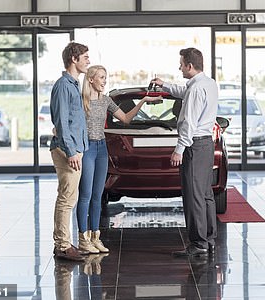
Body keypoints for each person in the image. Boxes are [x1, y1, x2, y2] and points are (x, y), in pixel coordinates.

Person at [77, 65, 162, 254]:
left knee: (98, 195)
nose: (104, 81)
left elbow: (125, 118)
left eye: (105, 77)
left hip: (101, 148)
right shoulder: (80, 101)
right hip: (86, 149)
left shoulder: (106, 100)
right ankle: (83, 239)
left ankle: (95, 238)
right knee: (85, 195)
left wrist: (143, 101)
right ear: (90, 79)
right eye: (101, 77)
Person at [150, 48, 218, 257]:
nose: (179, 67)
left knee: (193, 196)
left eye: (181, 64)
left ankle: (198, 244)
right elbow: (183, 91)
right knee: (205, 194)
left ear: (189, 65)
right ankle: (208, 238)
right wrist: (165, 85)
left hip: (194, 146)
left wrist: (179, 149)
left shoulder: (197, 90)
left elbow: (189, 122)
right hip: (206, 144)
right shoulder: (207, 83)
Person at [50, 41, 91, 261]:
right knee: (66, 198)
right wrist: (72, 151)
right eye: (85, 57)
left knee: (70, 197)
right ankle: (63, 246)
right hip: (68, 150)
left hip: (75, 147)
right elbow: (62, 123)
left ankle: (64, 242)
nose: (88, 61)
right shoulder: (63, 85)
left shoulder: (74, 84)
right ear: (74, 59)